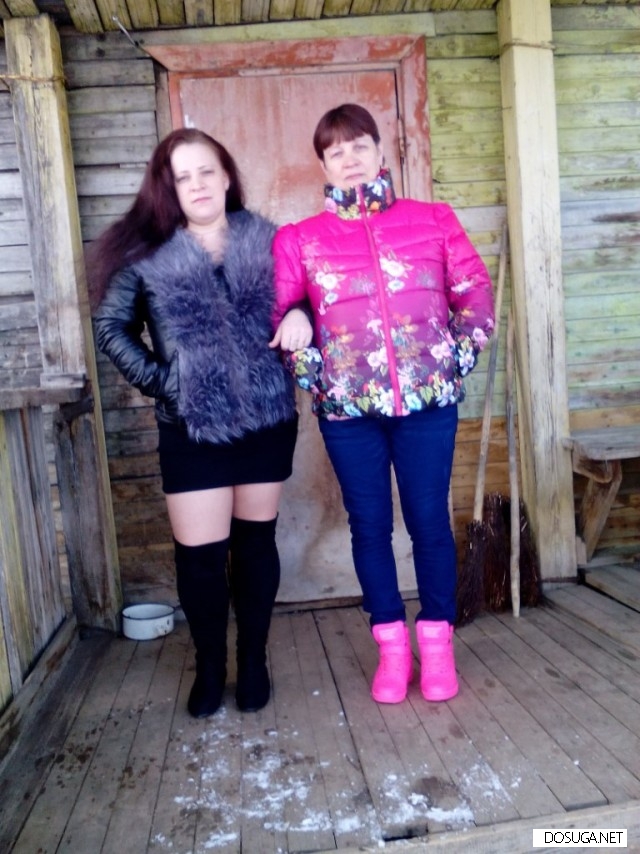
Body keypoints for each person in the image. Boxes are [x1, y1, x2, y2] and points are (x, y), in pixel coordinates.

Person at [270, 104, 494, 705]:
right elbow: (281, 313)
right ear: (323, 164)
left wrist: (451, 361)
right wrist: (315, 370)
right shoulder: (300, 240)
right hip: (349, 414)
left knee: (428, 522)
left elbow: (474, 290)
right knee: (368, 526)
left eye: (358, 146)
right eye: (335, 151)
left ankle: (437, 647)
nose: (349, 159)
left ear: (379, 150)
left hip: (427, 405)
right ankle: (392, 651)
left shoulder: (433, 220)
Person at [88, 128, 298, 719]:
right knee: (201, 558)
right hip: (192, 427)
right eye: (183, 177)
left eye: (206, 171)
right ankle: (210, 667)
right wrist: (168, 383)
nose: (198, 184)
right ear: (169, 190)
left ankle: (252, 662)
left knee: (255, 546)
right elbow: (111, 328)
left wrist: (303, 314)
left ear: (226, 176)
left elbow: (305, 295)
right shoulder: (147, 255)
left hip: (265, 418)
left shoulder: (271, 241)